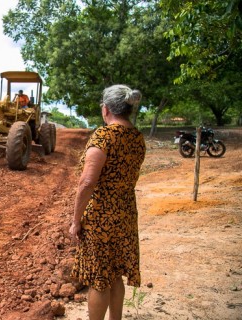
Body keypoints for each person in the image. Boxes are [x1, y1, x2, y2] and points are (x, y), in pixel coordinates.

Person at [69, 84, 145, 320]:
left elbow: (87, 183)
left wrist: (75, 221)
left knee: (100, 278)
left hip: (102, 217)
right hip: (125, 214)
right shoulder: (137, 138)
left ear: (106, 110)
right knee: (115, 275)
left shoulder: (104, 136)